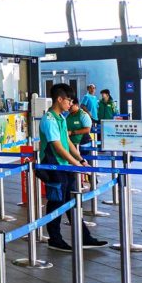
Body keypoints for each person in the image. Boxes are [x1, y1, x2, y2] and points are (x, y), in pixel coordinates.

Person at [39, 84, 107, 252]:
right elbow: (58, 147)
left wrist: (81, 160)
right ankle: (55, 239)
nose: (71, 104)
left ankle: (85, 237)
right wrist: (76, 164)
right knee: (57, 202)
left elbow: (67, 143)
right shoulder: (49, 120)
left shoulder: (61, 118)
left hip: (64, 166)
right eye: (68, 100)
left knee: (71, 202)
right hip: (54, 166)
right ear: (59, 99)